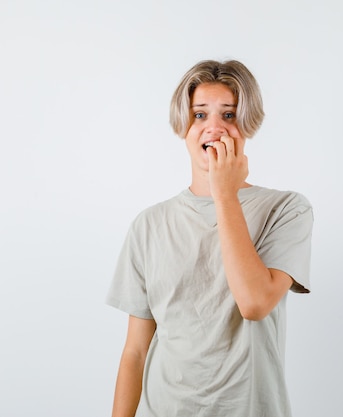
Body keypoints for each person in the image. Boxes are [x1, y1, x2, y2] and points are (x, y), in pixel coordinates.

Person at [106, 59, 313, 417]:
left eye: (229, 115)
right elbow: (135, 352)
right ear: (183, 125)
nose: (213, 127)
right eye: (200, 115)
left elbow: (254, 303)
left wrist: (225, 194)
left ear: (247, 123)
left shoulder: (287, 209)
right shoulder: (148, 224)